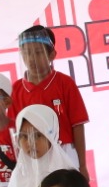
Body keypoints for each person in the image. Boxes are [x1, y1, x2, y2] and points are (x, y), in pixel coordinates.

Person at [7, 25, 89, 176]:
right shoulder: (16, 89)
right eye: (26, 53)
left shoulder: (65, 83)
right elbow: (14, 132)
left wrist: (82, 165)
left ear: (52, 54)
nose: (31, 58)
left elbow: (77, 126)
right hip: (32, 157)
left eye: (38, 52)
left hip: (64, 152)